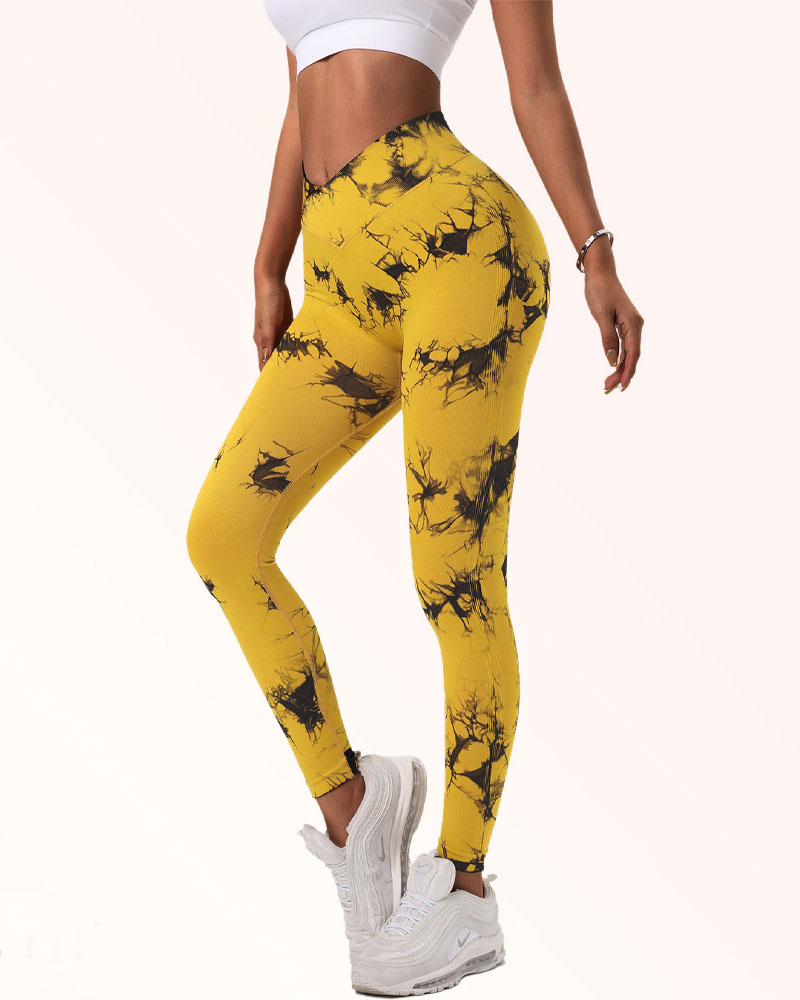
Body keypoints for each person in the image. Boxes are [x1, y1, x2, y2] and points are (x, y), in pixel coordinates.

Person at [186, 0, 644, 993]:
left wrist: (595, 254)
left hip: (458, 249)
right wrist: (267, 261)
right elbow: (302, 86)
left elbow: (536, 86)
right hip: (339, 278)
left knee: (454, 580)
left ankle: (464, 887)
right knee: (223, 536)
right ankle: (354, 808)